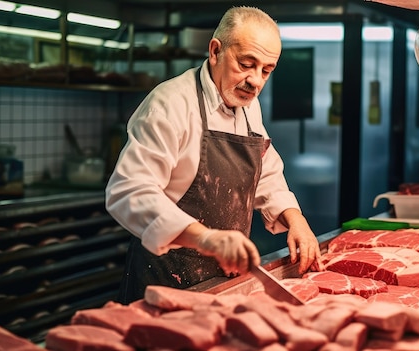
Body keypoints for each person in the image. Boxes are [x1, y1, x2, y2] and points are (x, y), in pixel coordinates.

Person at [105, 5, 322, 304]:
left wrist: (295, 218)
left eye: (266, 70)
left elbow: (265, 170)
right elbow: (128, 191)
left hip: (222, 283)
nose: (256, 81)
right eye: (247, 64)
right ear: (216, 51)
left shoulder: (247, 104)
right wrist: (205, 238)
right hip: (165, 284)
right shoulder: (170, 105)